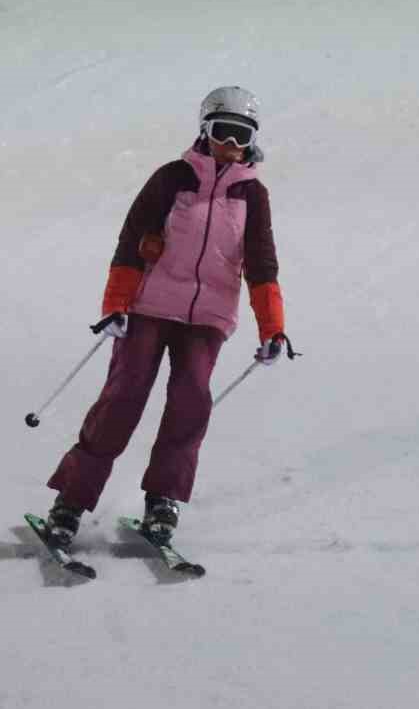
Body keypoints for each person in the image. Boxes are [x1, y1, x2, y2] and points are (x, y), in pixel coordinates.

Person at [41, 86, 295, 548]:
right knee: (122, 399)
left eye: (242, 136)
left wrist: (273, 327)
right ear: (205, 130)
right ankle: (71, 502)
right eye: (223, 133)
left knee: (189, 403)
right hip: (148, 308)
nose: (231, 146)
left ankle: (163, 501)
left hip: (208, 318)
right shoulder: (172, 178)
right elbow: (131, 241)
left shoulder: (252, 195)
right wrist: (116, 305)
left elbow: (262, 264)